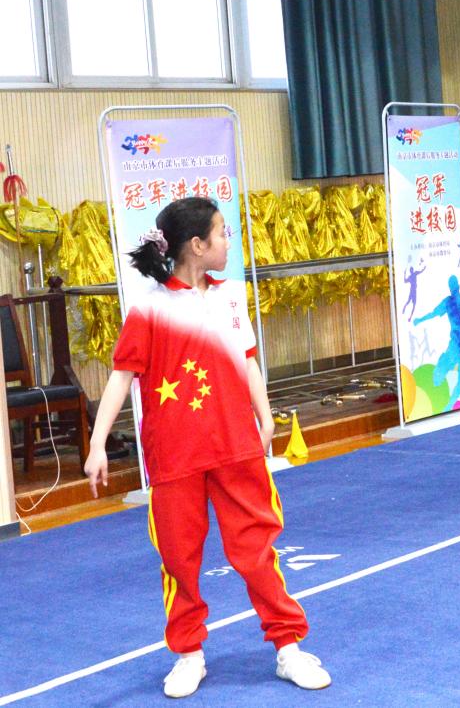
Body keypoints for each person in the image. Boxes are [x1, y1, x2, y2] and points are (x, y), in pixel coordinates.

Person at [83, 197, 331, 698]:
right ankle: (189, 654)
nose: (228, 241)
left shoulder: (230, 297)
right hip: (175, 455)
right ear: (197, 245)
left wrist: (265, 416)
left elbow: (247, 361)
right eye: (221, 233)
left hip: (237, 447)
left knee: (256, 551)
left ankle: (288, 647)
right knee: (179, 557)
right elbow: (121, 377)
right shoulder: (150, 308)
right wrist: (97, 444)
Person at [413, 274, 460, 412]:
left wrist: (420, 320)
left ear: (456, 287)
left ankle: (449, 405)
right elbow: (433, 313)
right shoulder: (450, 302)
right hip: (456, 345)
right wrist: (420, 320)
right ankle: (435, 398)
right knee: (442, 372)